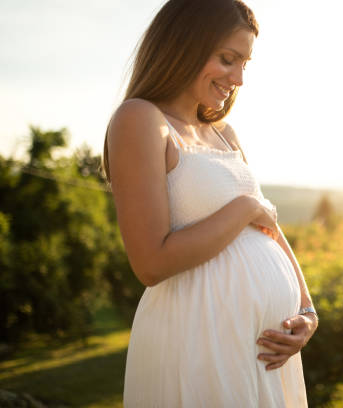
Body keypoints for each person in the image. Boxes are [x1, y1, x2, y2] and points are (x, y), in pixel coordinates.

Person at [101, 0, 317, 406]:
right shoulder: (141, 119)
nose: (237, 78)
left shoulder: (224, 134)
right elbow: (150, 262)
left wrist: (307, 311)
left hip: (263, 353)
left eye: (244, 64)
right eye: (227, 59)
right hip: (199, 342)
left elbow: (268, 224)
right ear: (184, 45)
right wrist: (243, 210)